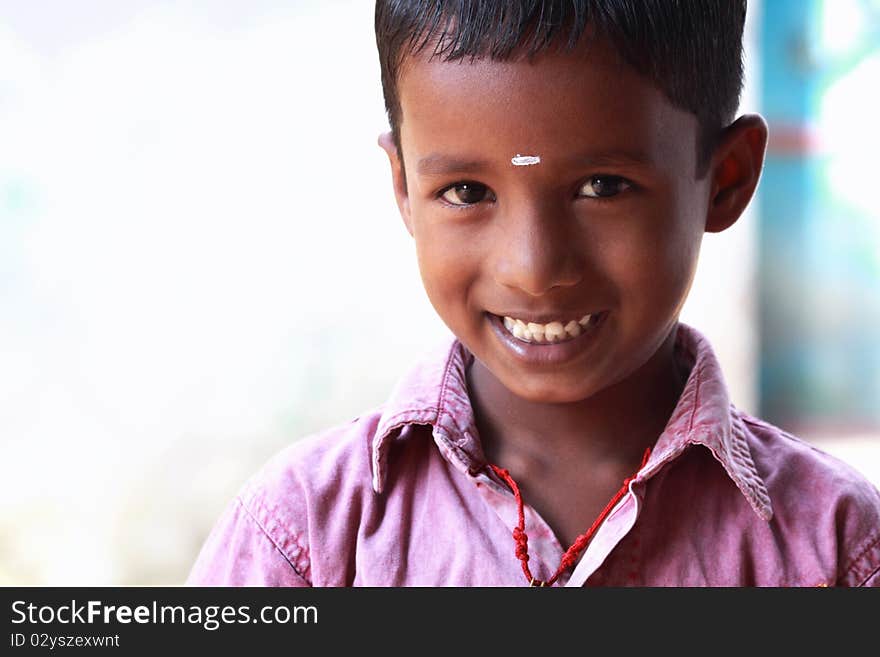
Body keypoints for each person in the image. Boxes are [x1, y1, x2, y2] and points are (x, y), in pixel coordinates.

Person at [186, 0, 880, 587]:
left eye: (602, 186)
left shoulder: (835, 549)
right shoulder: (306, 540)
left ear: (724, 178)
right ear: (404, 188)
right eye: (467, 191)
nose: (534, 268)